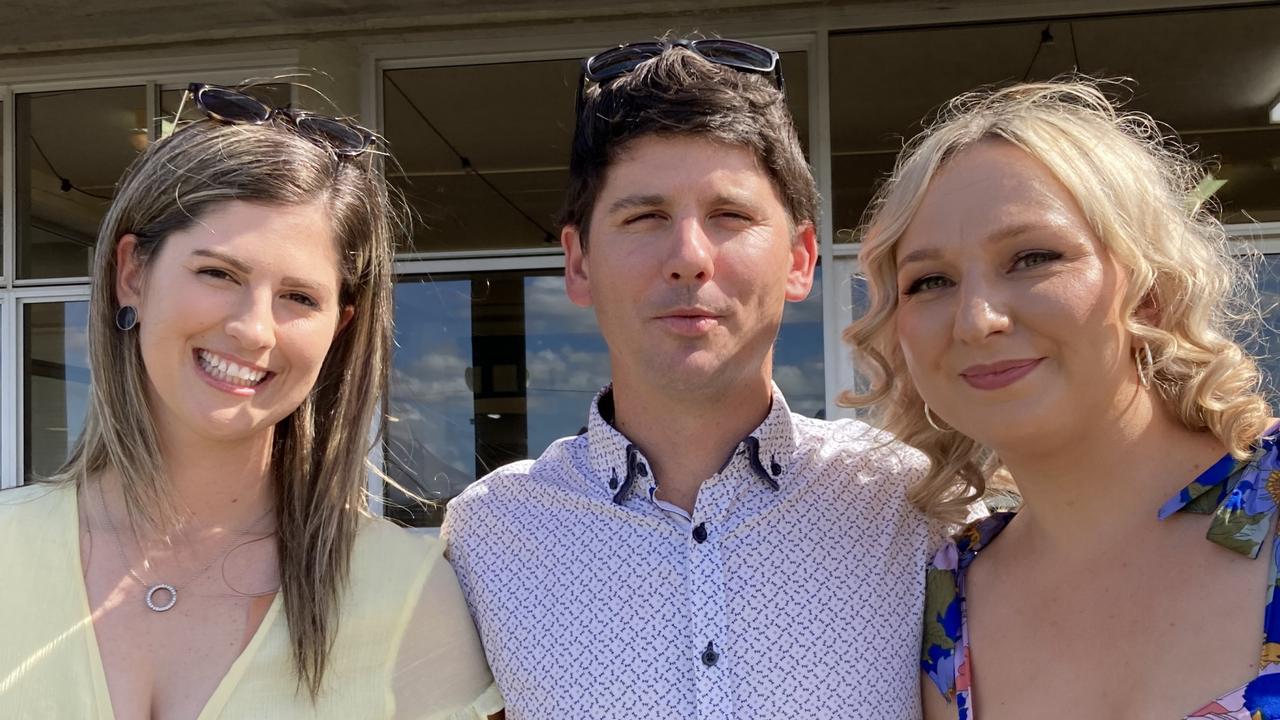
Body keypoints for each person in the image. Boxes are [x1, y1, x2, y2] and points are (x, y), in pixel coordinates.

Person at [442, 38, 945, 719]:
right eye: (644, 217)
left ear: (800, 259)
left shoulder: (909, 507)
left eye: (730, 216)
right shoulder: (486, 536)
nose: (687, 258)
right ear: (579, 262)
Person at [0, 83, 502, 719]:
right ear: (132, 274)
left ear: (339, 327)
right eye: (218, 274)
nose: (254, 329)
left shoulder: (407, 596)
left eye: (299, 297)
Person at [844, 79, 1278, 719]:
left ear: (1148, 290)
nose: (976, 319)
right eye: (930, 281)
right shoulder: (948, 603)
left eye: (1032, 258)